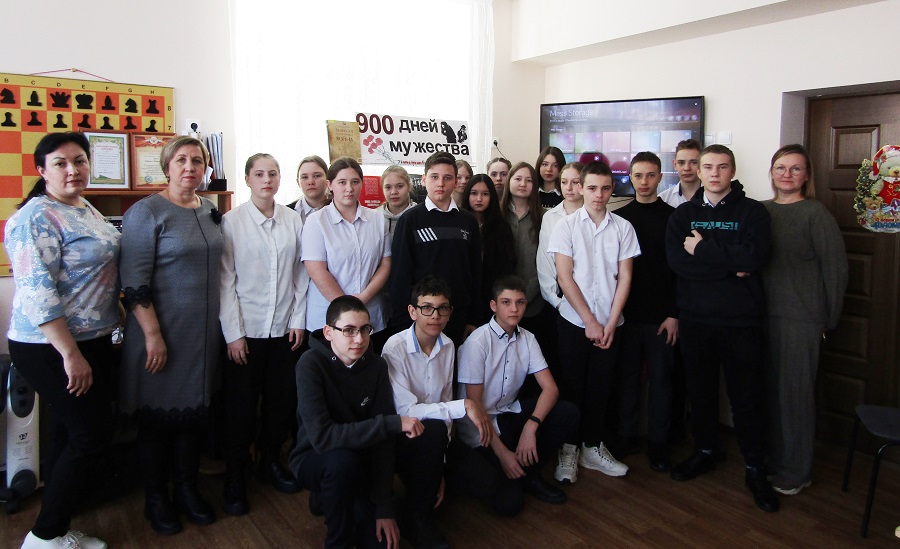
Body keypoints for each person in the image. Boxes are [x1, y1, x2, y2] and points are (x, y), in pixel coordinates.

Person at [6, 132, 118, 549]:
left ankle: (58, 521)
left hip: (93, 338)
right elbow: (38, 293)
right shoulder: (34, 217)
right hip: (50, 345)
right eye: (60, 163)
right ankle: (43, 536)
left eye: (80, 160)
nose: (73, 170)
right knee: (90, 433)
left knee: (70, 432)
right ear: (41, 170)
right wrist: (70, 354)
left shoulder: (84, 207)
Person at [665, 144, 779, 513]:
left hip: (741, 321)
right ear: (698, 172)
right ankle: (706, 450)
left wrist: (704, 251)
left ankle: (755, 467)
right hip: (696, 320)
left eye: (722, 167)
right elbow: (679, 263)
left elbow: (756, 257)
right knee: (700, 393)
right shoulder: (683, 215)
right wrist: (732, 266)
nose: (714, 174)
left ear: (732, 171)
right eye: (708, 167)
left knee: (747, 397)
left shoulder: (753, 212)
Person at [119, 135, 224, 534]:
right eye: (181, 160)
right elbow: (134, 283)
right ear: (167, 166)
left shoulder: (210, 208)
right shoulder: (146, 212)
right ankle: (156, 499)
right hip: (161, 335)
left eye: (197, 160)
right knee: (157, 423)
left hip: (202, 339)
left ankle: (186, 489)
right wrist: (152, 335)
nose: (189, 167)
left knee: (193, 418)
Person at [289, 296, 424, 549]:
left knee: (381, 544)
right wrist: (391, 423)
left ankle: (334, 498)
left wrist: (383, 507)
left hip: (361, 461)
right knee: (341, 463)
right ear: (328, 332)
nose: (360, 339)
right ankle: (336, 539)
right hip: (315, 457)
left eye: (364, 330)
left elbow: (383, 444)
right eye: (349, 330)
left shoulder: (377, 366)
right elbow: (323, 437)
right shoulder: (310, 364)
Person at [219, 153, 309, 516]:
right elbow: (226, 281)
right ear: (247, 179)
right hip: (247, 331)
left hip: (285, 330)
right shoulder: (232, 222)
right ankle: (235, 474)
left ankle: (270, 461)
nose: (267, 180)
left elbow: (300, 275)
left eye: (273, 173)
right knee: (240, 408)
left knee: (280, 403)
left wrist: (298, 320)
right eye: (259, 174)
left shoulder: (293, 219)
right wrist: (233, 334)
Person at [761, 144, 848, 496]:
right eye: (781, 168)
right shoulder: (761, 211)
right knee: (769, 394)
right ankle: (774, 459)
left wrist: (828, 319)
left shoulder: (816, 214)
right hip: (762, 317)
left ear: (806, 175)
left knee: (794, 397)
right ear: (771, 172)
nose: (787, 174)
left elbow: (836, 271)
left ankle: (796, 471)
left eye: (795, 168)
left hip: (801, 319)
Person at [382, 276, 492, 548]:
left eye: (442, 308)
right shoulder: (394, 348)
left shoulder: (448, 345)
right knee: (431, 431)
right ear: (412, 311)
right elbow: (407, 410)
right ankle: (417, 520)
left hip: (439, 439)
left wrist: (440, 463)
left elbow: (444, 401)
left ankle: (426, 490)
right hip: (405, 439)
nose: (435, 316)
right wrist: (464, 405)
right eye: (427, 308)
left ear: (450, 312)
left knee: (500, 495)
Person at [548, 161, 640, 483]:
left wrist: (611, 322)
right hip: (574, 322)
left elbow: (625, 277)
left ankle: (592, 448)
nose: (598, 195)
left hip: (611, 324)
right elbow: (564, 277)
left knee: (601, 388)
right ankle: (568, 449)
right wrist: (589, 321)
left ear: (612, 190)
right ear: (580, 188)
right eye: (592, 188)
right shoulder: (566, 226)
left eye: (605, 188)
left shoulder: (623, 228)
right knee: (572, 387)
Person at [454, 276, 578, 515]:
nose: (514, 309)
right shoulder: (478, 342)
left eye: (520, 302)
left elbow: (551, 389)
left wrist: (531, 427)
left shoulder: (527, 338)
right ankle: (503, 470)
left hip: (507, 416)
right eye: (506, 302)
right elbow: (475, 406)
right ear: (494, 306)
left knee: (567, 412)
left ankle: (530, 473)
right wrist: (503, 455)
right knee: (509, 504)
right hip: (480, 430)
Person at [614, 152, 678, 471]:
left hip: (661, 317)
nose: (644, 181)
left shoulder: (673, 217)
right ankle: (626, 439)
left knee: (661, 383)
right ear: (630, 177)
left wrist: (674, 313)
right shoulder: (619, 218)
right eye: (638, 175)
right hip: (626, 316)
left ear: (660, 177)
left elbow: (680, 271)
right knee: (627, 381)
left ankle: (659, 445)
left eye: (650, 175)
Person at [390, 151, 482, 346]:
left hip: (458, 316)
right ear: (424, 180)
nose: (441, 183)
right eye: (434, 177)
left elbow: (475, 272)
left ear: (456, 182)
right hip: (421, 318)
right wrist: (403, 324)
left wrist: (473, 318)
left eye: (447, 178)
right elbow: (400, 275)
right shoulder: (410, 220)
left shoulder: (468, 221)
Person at [302, 157, 391, 350]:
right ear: (330, 185)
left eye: (355, 182)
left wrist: (364, 297)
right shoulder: (317, 221)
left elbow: (385, 264)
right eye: (342, 182)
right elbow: (316, 269)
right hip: (329, 320)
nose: (349, 188)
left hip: (370, 315)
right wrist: (347, 308)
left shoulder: (377, 219)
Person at [461, 173, 516, 325]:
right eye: (474, 193)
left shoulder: (502, 227)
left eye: (485, 194)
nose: (479, 199)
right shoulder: (458, 224)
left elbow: (507, 266)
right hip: (464, 295)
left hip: (492, 296)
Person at [538, 162, 583, 313]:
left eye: (575, 182)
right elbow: (545, 260)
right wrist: (555, 300)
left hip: (588, 293)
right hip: (559, 296)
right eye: (564, 182)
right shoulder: (550, 217)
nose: (569, 188)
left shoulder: (593, 215)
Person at [376, 164, 416, 242]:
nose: (394, 192)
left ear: (409, 187)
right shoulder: (374, 217)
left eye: (399, 186)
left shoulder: (420, 216)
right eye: (388, 187)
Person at [659, 139, 702, 207]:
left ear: (702, 164)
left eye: (693, 162)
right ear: (675, 165)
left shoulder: (713, 197)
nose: (687, 168)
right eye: (681, 163)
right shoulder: (663, 199)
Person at [288, 155, 330, 222]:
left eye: (317, 176)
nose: (311, 182)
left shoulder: (340, 209)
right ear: (298, 182)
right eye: (305, 177)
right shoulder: (287, 213)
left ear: (327, 179)